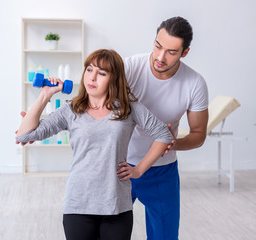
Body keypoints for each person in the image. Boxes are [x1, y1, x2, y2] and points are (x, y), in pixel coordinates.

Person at [15, 49, 173, 240]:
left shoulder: (128, 109)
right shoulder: (71, 110)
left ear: (114, 79)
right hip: (78, 204)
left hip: (116, 205)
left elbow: (163, 134)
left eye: (102, 73)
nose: (92, 77)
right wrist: (45, 95)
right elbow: (24, 135)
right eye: (89, 70)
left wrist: (138, 170)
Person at [118, 16, 209, 240]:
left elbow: (198, 135)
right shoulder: (128, 67)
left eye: (171, 52)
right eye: (158, 46)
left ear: (184, 52)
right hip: (120, 164)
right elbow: (94, 103)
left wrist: (173, 142)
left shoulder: (194, 83)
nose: (160, 57)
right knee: (108, 234)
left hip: (161, 170)